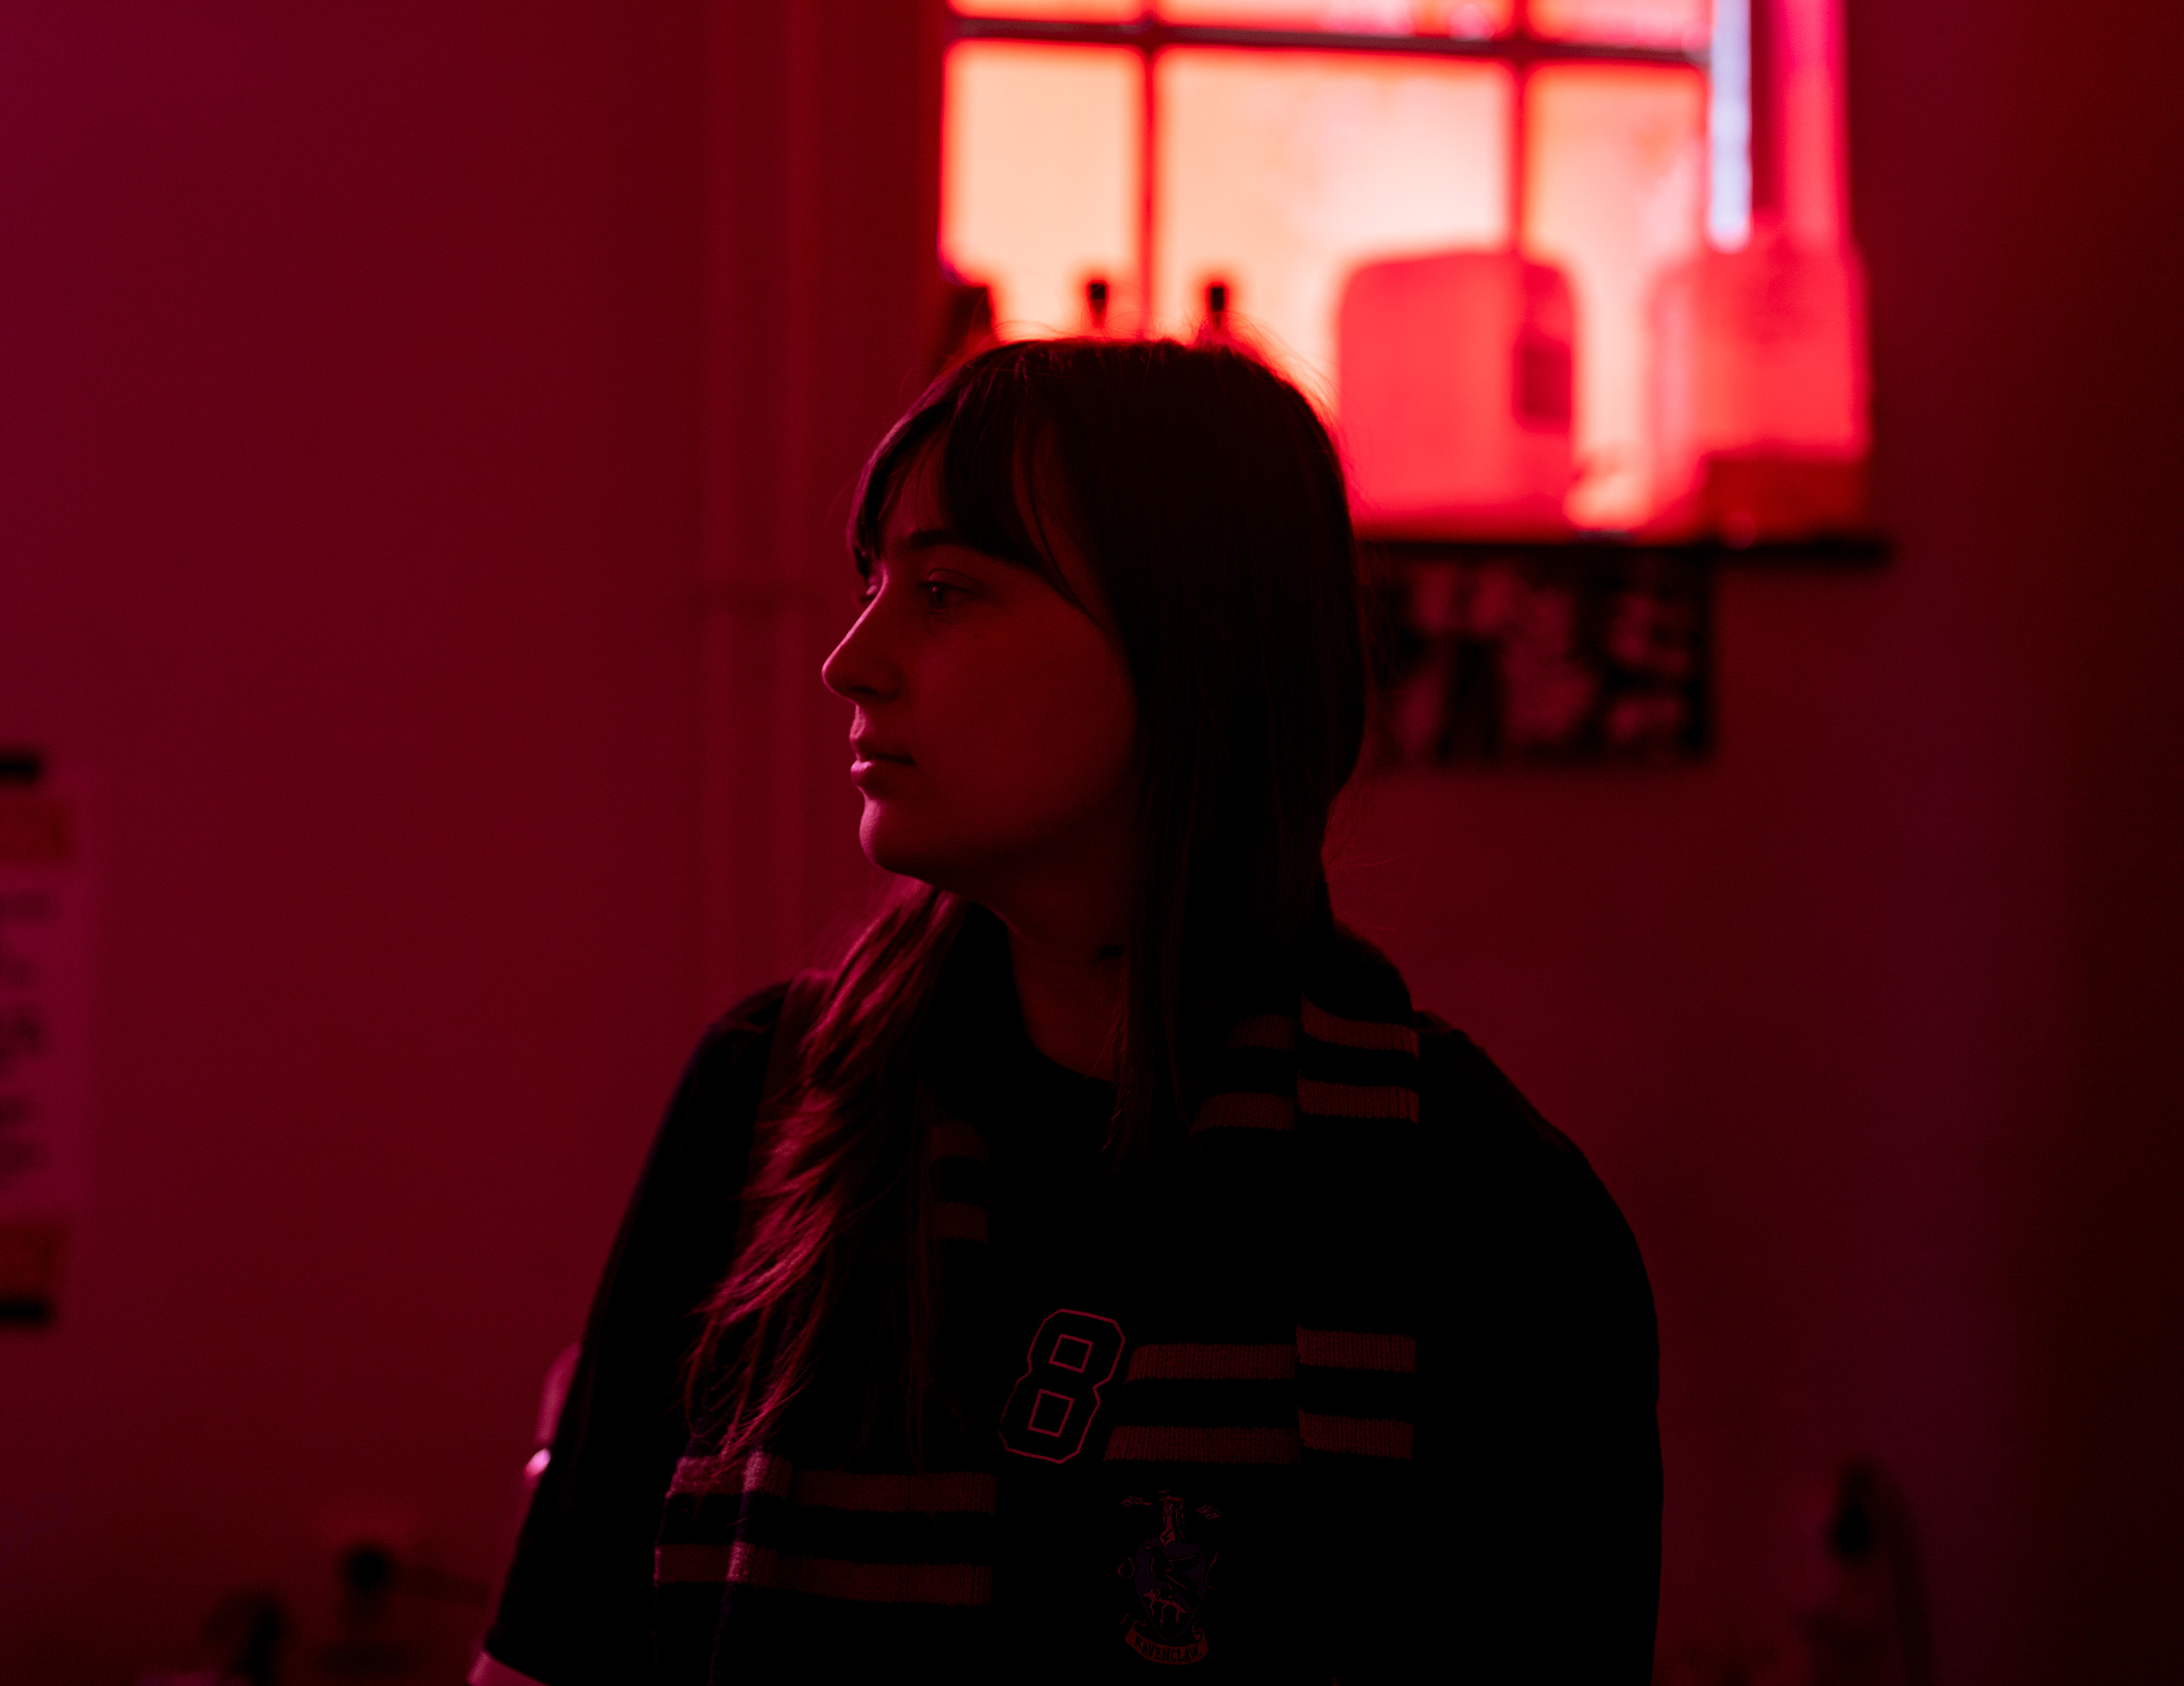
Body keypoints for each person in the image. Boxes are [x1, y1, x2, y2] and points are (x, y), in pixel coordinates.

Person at [472, 339, 1660, 1684]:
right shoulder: (767, 1103)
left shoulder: (1484, 1205)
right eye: (873, 586)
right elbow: (549, 1659)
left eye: (944, 591)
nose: (851, 662)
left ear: (1192, 646)